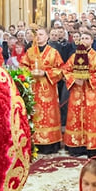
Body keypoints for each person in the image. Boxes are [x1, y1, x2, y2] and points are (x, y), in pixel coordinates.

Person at [62, 28, 96, 156]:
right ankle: (76, 146)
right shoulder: (73, 56)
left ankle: (93, 146)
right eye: (82, 38)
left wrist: (89, 78)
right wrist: (74, 79)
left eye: (86, 38)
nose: (83, 40)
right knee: (76, 118)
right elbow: (66, 70)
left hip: (91, 93)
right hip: (77, 93)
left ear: (92, 41)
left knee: (92, 118)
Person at [20, 26, 63, 154]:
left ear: (47, 36)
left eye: (41, 34)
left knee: (49, 114)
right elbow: (22, 66)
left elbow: (60, 69)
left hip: (48, 87)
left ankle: (51, 143)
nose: (38, 37)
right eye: (36, 35)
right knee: (35, 114)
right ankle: (35, 142)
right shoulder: (30, 52)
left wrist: (45, 73)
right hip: (34, 87)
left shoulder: (53, 52)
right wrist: (30, 72)